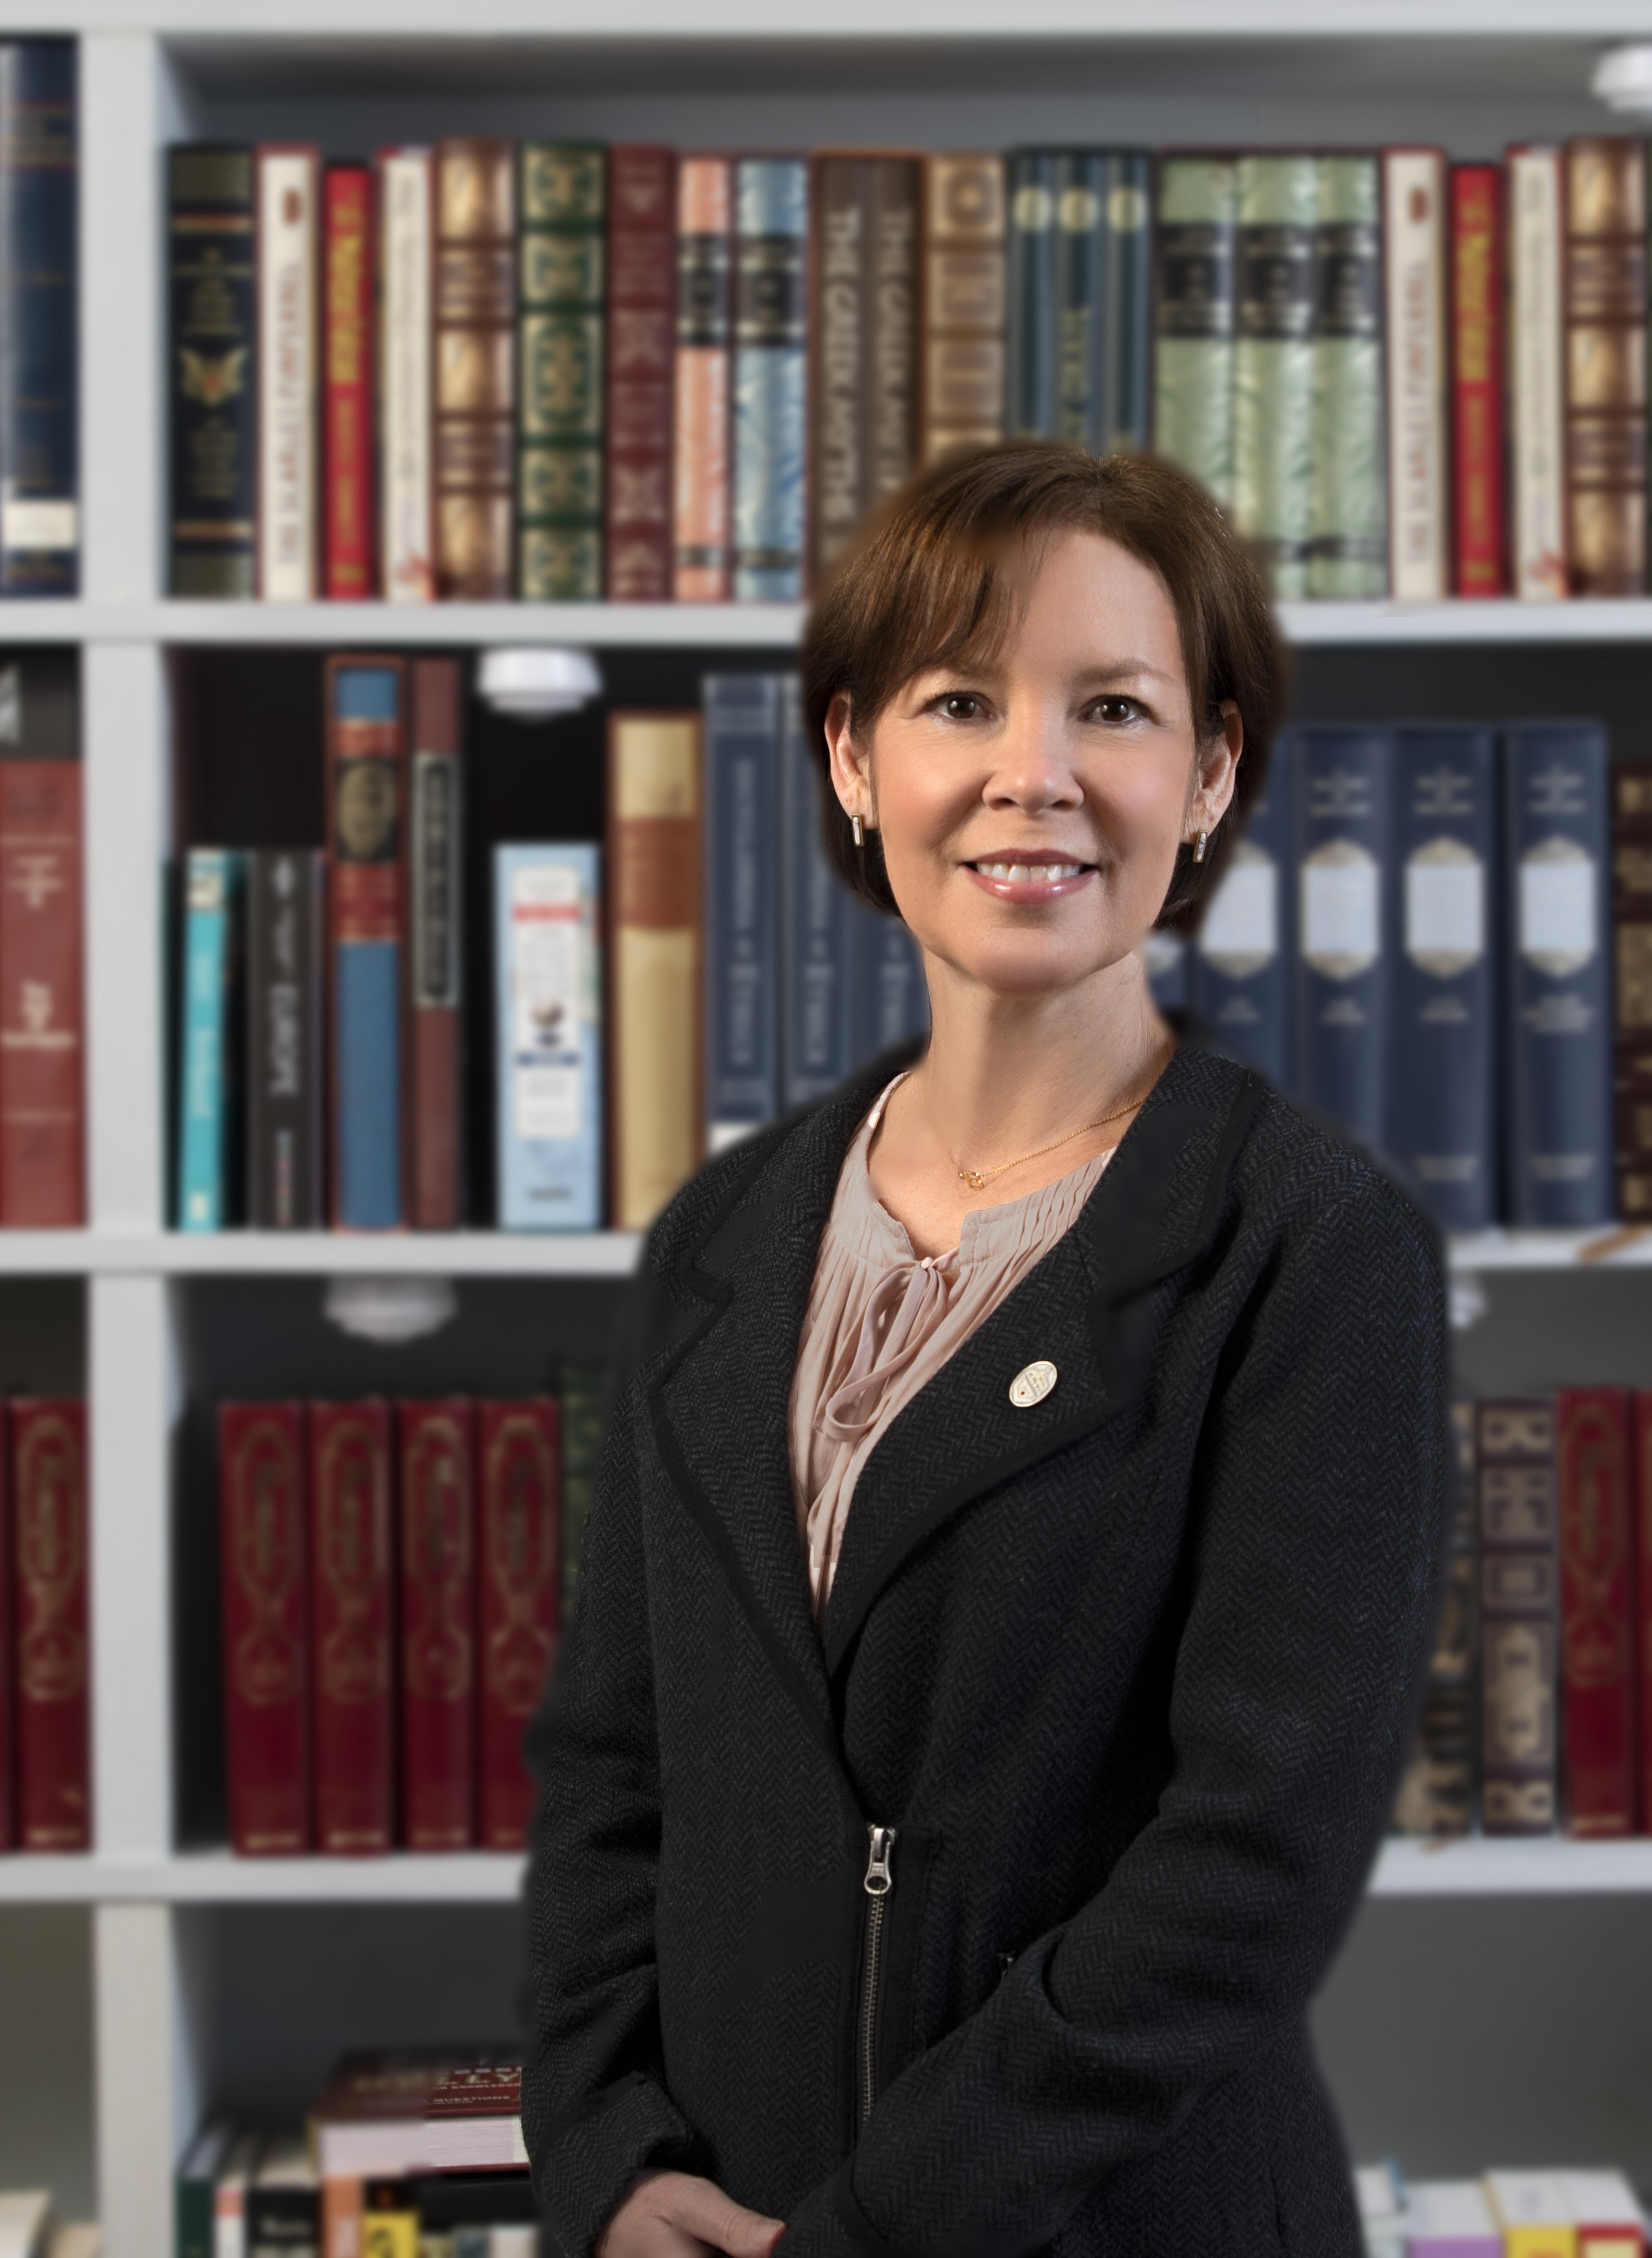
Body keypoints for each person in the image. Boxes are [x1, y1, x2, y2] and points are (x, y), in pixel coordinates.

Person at [519, 441, 1452, 2258]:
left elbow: (1249, 1871)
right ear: (858, 763)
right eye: (962, 701)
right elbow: (611, 1772)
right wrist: (608, 2160)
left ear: (1211, 777)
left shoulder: (1313, 1251)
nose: (1035, 777)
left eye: (1112, 707)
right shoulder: (726, 1239)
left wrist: (885, 2226)